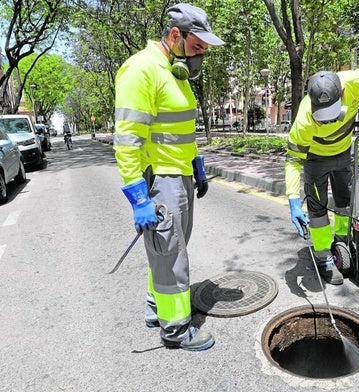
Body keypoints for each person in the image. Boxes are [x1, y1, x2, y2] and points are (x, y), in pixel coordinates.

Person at [113, 3, 224, 351]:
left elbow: (180, 131)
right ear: (175, 35)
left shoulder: (173, 71)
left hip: (180, 175)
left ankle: (154, 307)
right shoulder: (141, 71)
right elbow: (127, 140)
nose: (200, 56)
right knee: (171, 253)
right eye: (197, 47)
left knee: (168, 249)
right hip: (160, 179)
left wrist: (197, 166)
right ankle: (175, 329)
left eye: (204, 51)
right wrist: (139, 197)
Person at [285, 69, 359, 285]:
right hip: (315, 159)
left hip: (344, 153)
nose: (327, 122)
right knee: (317, 208)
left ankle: (343, 241)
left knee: (344, 200)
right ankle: (323, 254)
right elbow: (294, 161)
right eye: (322, 117)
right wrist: (293, 201)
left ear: (342, 92)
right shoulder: (304, 119)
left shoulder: (358, 82)